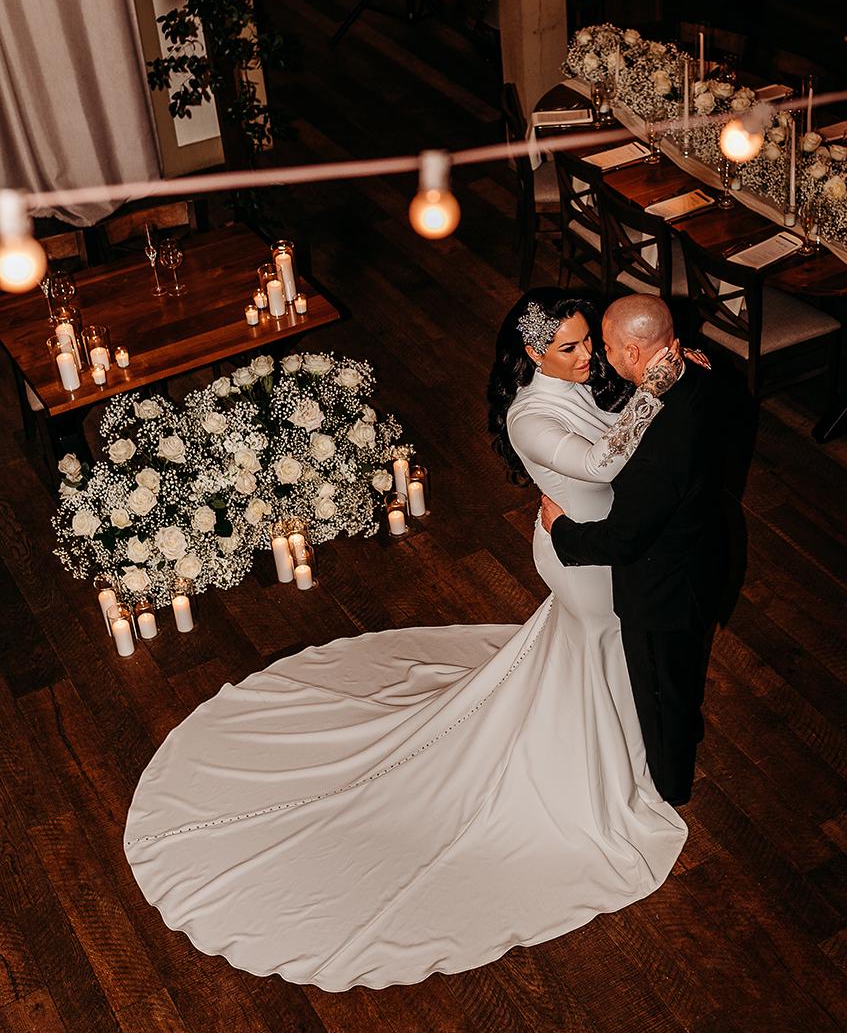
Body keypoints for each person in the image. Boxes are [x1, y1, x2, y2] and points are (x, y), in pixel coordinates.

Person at [123, 289, 688, 991]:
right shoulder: (530, 416)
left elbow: (615, 438)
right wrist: (655, 389)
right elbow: (602, 463)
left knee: (596, 652)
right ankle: (603, 773)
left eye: (588, 343)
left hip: (599, 547)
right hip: (578, 561)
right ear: (534, 353)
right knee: (599, 643)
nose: (587, 356)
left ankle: (612, 745)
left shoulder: (574, 386)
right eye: (569, 347)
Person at [541, 295, 725, 807]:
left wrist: (562, 532)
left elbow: (625, 538)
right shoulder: (699, 372)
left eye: (605, 345)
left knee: (660, 692)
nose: (599, 353)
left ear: (633, 352)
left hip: (663, 588)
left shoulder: (658, 447)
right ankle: (684, 725)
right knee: (683, 671)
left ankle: (670, 786)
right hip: (705, 556)